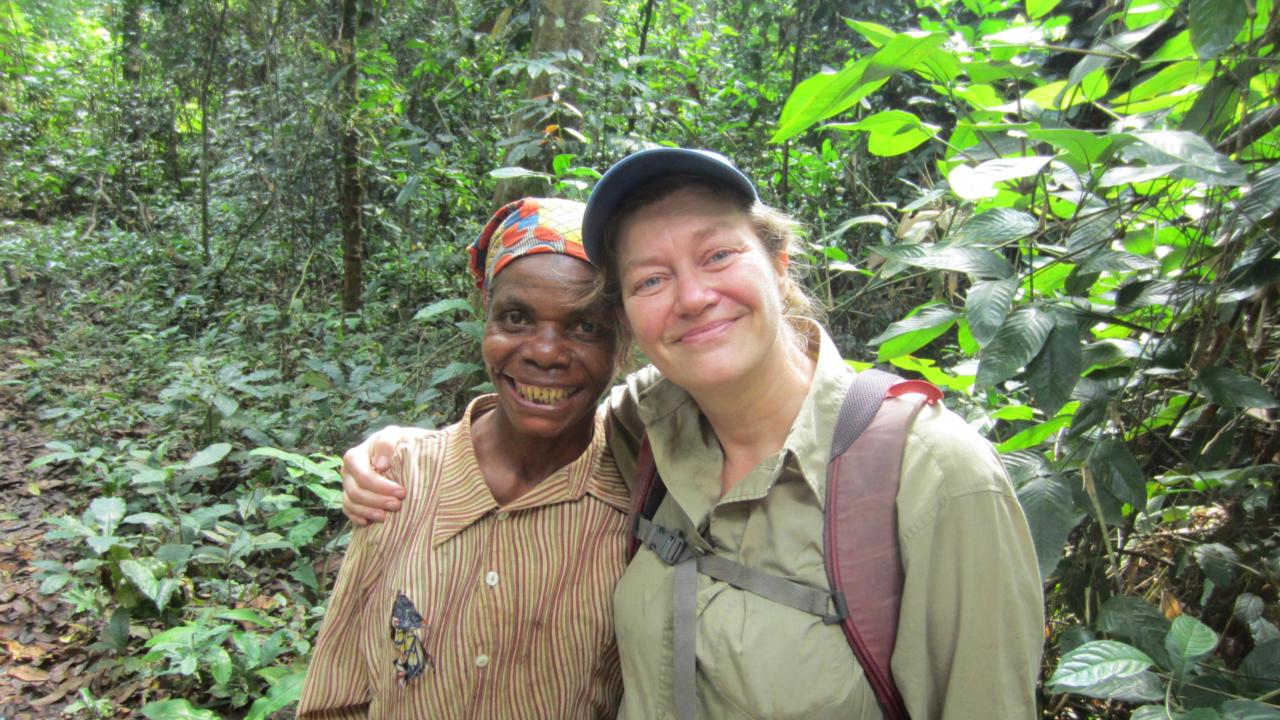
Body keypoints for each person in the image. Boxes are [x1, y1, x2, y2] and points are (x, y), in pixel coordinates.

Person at [342, 148, 1045, 719]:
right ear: (632, 321)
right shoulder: (646, 428)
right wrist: (410, 446)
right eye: (651, 280)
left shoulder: (933, 477)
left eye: (716, 257)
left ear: (776, 265)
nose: (692, 297)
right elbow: (542, 409)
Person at [297, 198, 631, 720]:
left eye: (584, 326)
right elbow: (337, 696)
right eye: (516, 318)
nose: (545, 352)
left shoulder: (636, 502)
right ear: (486, 318)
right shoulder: (398, 481)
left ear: (621, 341)